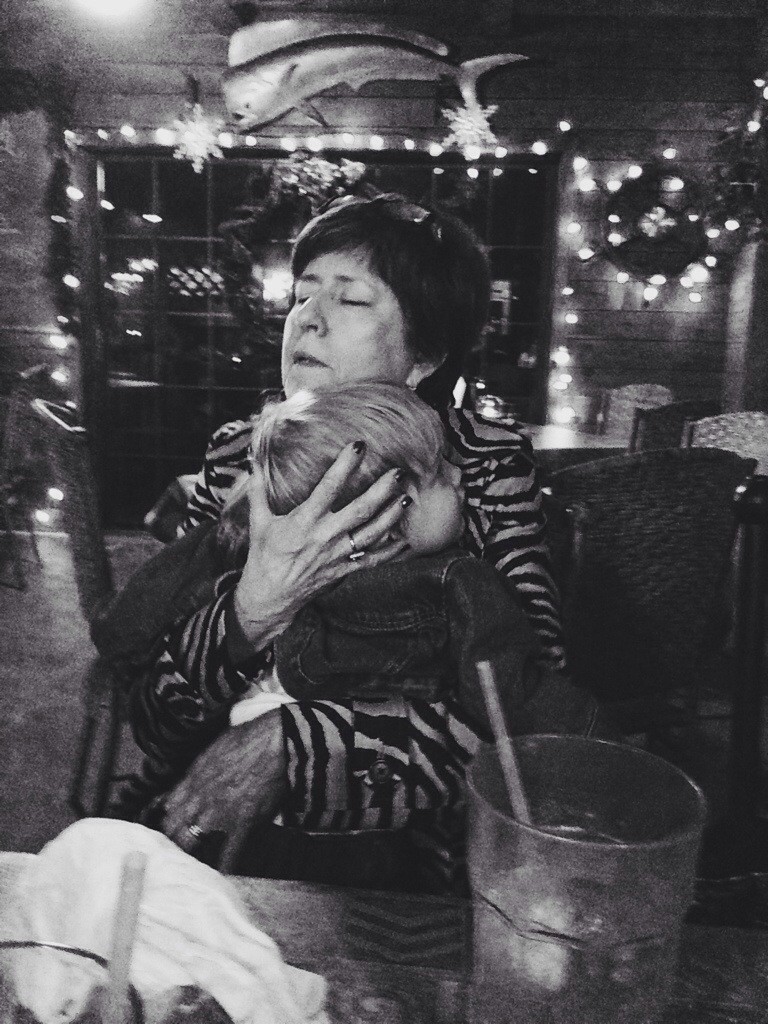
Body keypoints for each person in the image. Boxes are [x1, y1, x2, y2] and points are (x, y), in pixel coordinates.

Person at [124, 191, 578, 888]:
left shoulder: (474, 466)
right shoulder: (240, 456)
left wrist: (300, 747)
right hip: (207, 839)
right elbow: (155, 718)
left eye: (352, 299)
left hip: (410, 864)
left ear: (425, 355)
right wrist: (252, 608)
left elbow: (525, 718)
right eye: (302, 294)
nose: (308, 316)